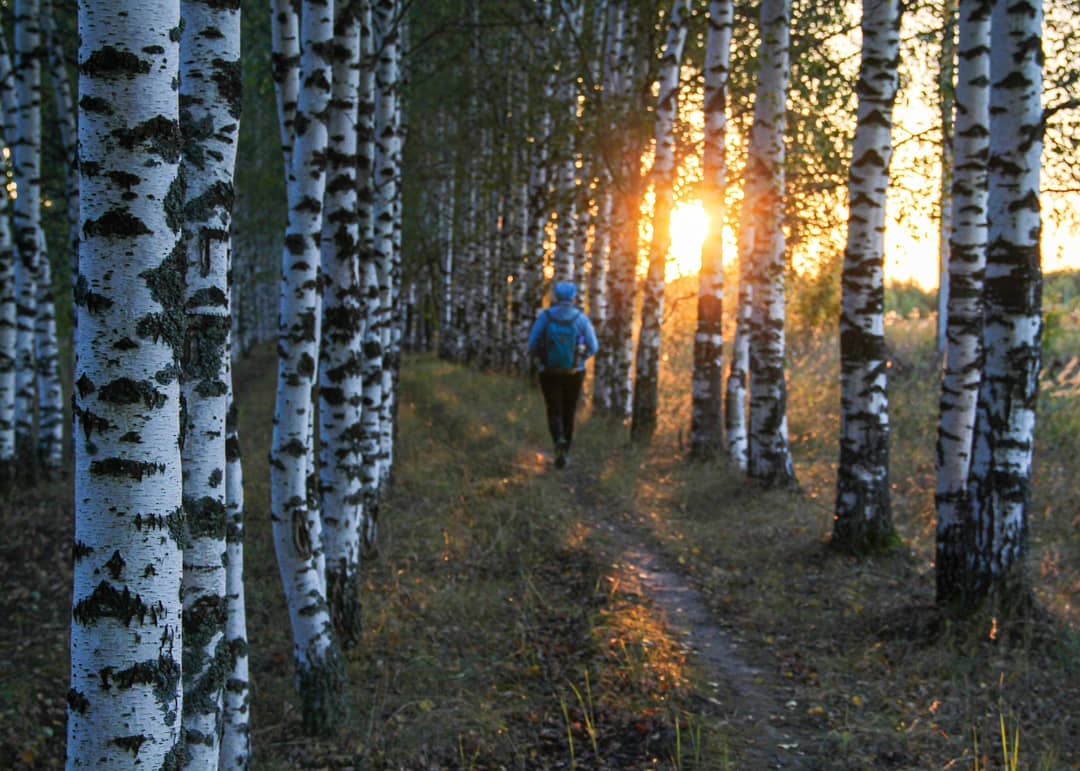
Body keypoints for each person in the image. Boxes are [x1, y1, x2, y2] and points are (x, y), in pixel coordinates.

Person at [527, 281, 599, 468]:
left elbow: (532, 343)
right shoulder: (581, 319)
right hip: (574, 372)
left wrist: (542, 358)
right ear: (573, 297)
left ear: (555, 296)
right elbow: (593, 346)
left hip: (548, 371)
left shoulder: (546, 317)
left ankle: (557, 440)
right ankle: (565, 451)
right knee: (569, 410)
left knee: (554, 409)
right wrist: (581, 359)